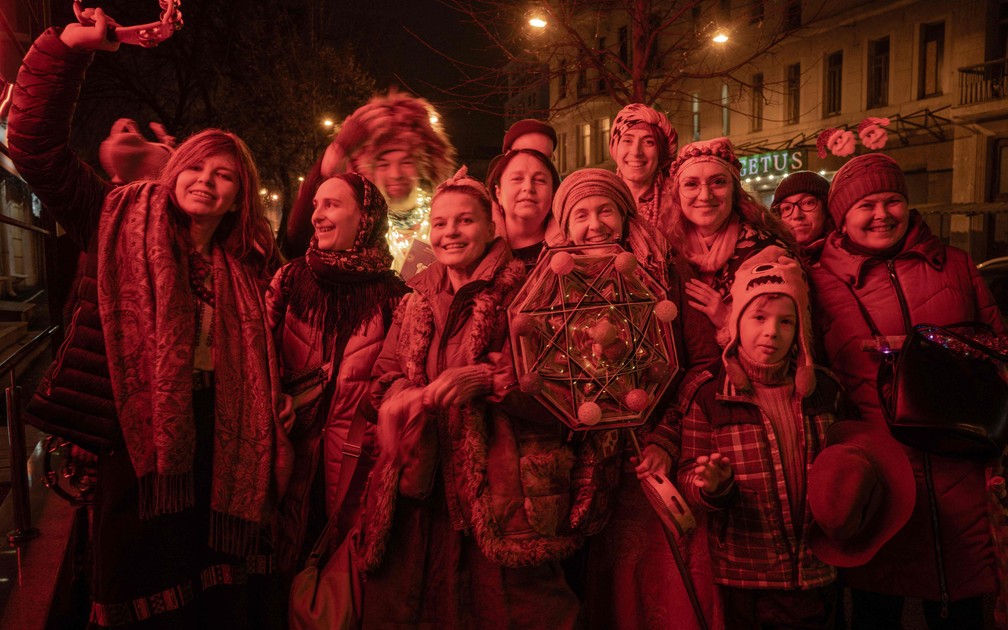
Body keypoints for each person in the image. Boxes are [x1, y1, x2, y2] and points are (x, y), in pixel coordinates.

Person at [9, 11, 292, 628]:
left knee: (210, 599)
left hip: (220, 448)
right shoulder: (110, 217)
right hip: (132, 450)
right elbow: (33, 142)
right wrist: (71, 47)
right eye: (195, 166)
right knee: (135, 589)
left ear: (239, 196)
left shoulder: (246, 266)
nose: (207, 182)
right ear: (174, 172)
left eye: (224, 176)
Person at [356, 167, 608, 628]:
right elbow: (385, 375)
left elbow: (567, 392)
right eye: (440, 223)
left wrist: (490, 383)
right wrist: (403, 396)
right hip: (423, 495)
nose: (450, 232)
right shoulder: (414, 297)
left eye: (465, 221)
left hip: (504, 497)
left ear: (493, 227)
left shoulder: (532, 290)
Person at [809, 153, 1004, 628]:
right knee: (878, 608)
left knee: (963, 608)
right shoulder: (818, 281)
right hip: (882, 474)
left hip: (963, 462)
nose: (882, 214)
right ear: (843, 217)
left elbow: (1000, 351)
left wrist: (952, 349)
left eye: (892, 200)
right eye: (866, 205)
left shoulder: (955, 264)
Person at [545, 168, 718, 630]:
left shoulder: (666, 270)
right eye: (580, 214)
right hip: (594, 468)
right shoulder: (552, 287)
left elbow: (702, 364)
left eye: (604, 210)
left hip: (657, 458)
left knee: (666, 588)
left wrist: (667, 438)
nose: (595, 224)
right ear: (565, 226)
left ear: (624, 214)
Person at [679, 249, 844, 629]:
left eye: (786, 322)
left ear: (799, 331)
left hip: (818, 571)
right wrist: (712, 487)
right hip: (746, 575)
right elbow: (689, 474)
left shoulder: (825, 391)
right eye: (758, 317)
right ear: (736, 321)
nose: (772, 331)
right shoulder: (708, 394)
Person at [266, 172, 407, 574]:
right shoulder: (291, 279)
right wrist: (276, 396)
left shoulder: (396, 298)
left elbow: (397, 382)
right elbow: (257, 353)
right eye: (315, 205)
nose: (317, 216)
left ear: (365, 218)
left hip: (355, 473)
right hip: (289, 459)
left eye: (332, 204)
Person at [285, 90, 456, 272]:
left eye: (406, 162)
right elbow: (298, 241)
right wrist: (337, 151)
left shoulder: (444, 217)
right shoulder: (358, 227)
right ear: (368, 169)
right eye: (383, 164)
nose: (395, 173)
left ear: (422, 165)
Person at [666, 137, 793, 339]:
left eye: (718, 182)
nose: (705, 195)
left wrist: (727, 319)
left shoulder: (769, 253)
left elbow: (785, 344)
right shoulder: (665, 252)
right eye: (691, 184)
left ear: (734, 191)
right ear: (677, 194)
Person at [608, 103, 678, 235]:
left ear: (660, 152)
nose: (636, 152)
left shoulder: (680, 200)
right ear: (615, 147)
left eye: (649, 142)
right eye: (627, 141)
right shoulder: (600, 195)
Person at [485, 147, 560, 269]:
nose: (528, 187)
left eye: (540, 180)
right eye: (517, 179)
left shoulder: (575, 250)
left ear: (553, 193)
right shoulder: (478, 251)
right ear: (498, 192)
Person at [771, 170, 833, 264]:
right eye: (787, 208)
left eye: (808, 203)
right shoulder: (769, 259)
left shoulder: (849, 255)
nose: (797, 215)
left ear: (826, 208)